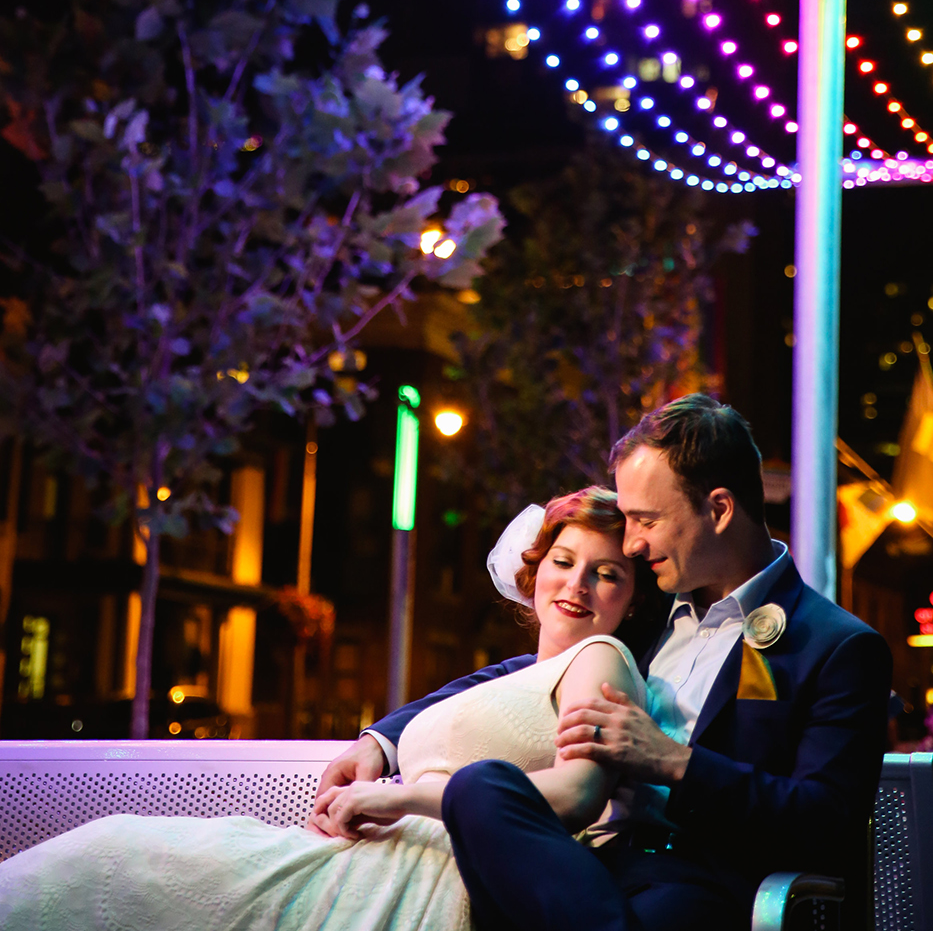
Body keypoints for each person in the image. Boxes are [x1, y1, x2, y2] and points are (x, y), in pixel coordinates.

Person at [321, 394, 892, 931]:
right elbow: (529, 674)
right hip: (582, 866)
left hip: (702, 881)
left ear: (719, 509)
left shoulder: (836, 647)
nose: (633, 544)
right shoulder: (646, 613)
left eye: (647, 520)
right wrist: (381, 742)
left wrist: (673, 762)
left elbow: (825, 822)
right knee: (483, 788)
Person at [0, 486, 654, 931]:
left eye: (606, 573)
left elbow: (576, 792)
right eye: (563, 561)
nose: (576, 584)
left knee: (115, 857)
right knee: (111, 856)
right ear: (534, 571)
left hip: (427, 877)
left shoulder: (600, 658)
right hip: (375, 858)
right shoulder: (521, 673)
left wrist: (400, 799)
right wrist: (376, 746)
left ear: (631, 599)